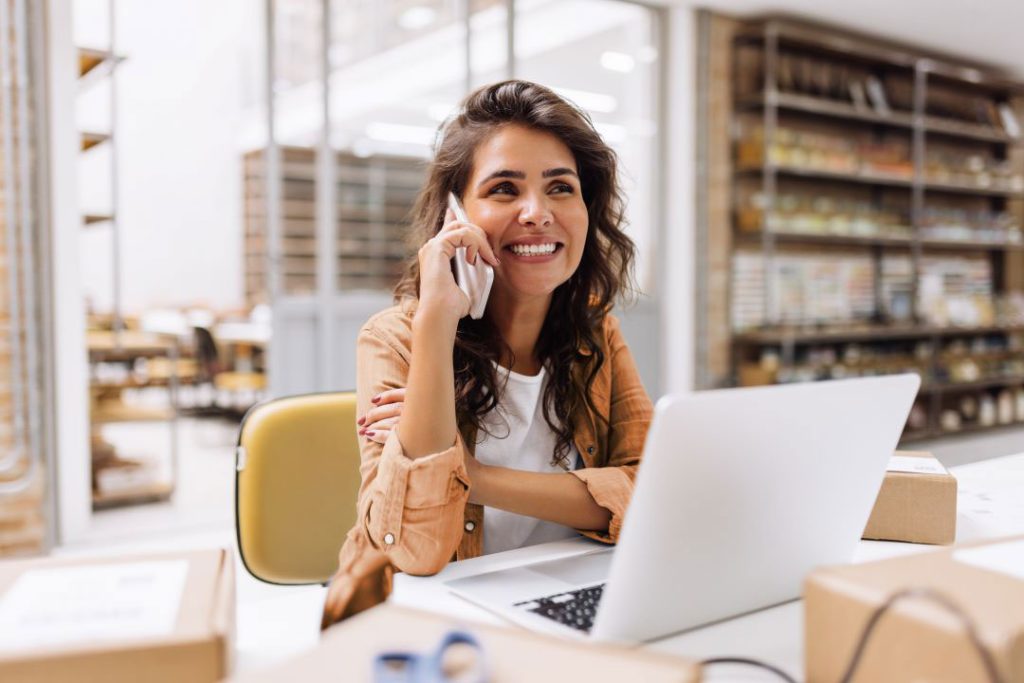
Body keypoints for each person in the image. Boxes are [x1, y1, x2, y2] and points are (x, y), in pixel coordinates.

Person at [321, 80, 653, 628]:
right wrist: (435, 320)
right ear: (456, 215)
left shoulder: (597, 334)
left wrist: (470, 474)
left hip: (565, 602)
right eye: (504, 189)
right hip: (435, 621)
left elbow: (647, 497)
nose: (537, 212)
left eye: (560, 188)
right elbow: (414, 551)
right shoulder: (395, 339)